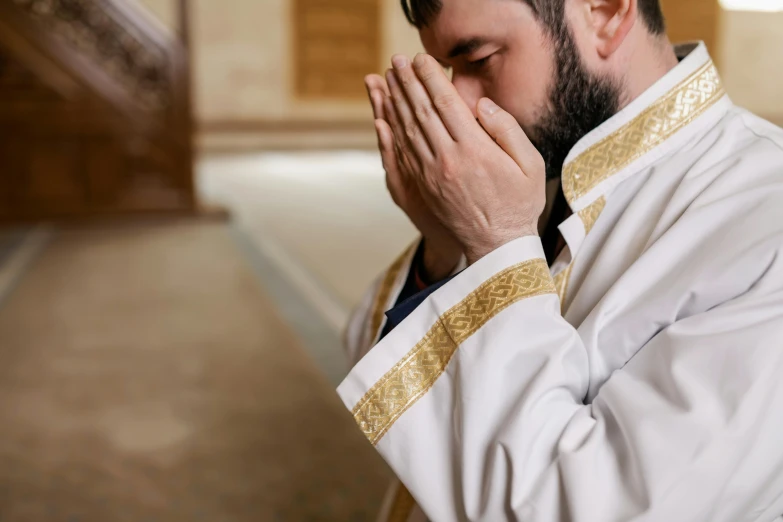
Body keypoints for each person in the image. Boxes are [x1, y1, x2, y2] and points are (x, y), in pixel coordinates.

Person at [340, 0, 783, 520]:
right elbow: (381, 388)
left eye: (479, 59)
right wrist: (445, 251)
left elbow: (599, 507)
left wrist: (497, 248)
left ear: (606, 11)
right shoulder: (548, 164)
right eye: (448, 69)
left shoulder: (764, 215)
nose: (458, 97)